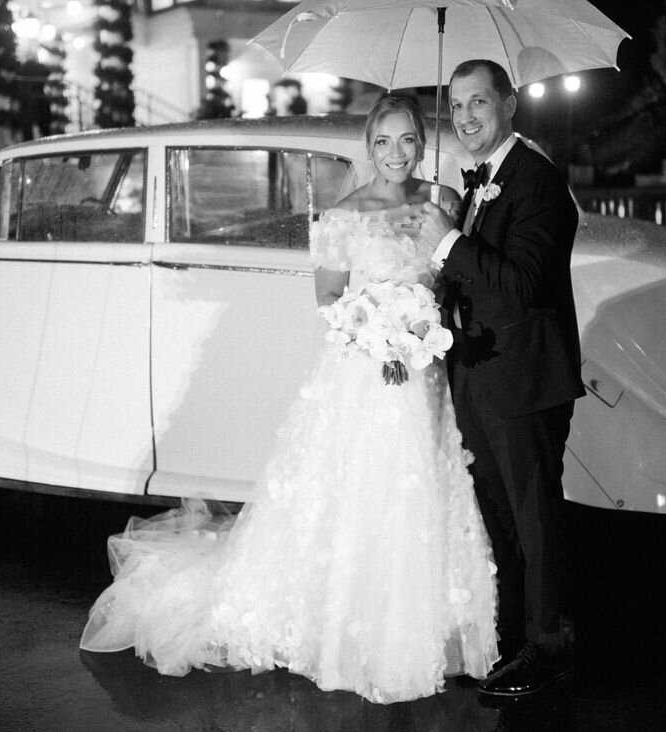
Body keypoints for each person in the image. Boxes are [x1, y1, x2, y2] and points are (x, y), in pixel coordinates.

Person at [80, 95, 499, 704]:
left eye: (408, 140)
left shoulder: (443, 202)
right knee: (360, 494)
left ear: (419, 141)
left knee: (428, 492)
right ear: (368, 145)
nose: (396, 154)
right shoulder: (344, 217)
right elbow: (329, 300)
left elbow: (459, 277)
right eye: (383, 142)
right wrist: (376, 328)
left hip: (428, 375)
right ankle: (350, 634)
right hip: (366, 375)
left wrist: (423, 326)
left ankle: (428, 626)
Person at [417, 59, 585, 699]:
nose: (465, 117)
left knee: (535, 517)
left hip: (525, 382)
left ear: (510, 104)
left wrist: (449, 243)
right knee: (501, 519)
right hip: (477, 377)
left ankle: (551, 647)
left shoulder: (538, 181)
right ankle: (514, 638)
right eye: (456, 106)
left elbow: (520, 286)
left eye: (478, 102)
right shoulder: (477, 183)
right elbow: (471, 287)